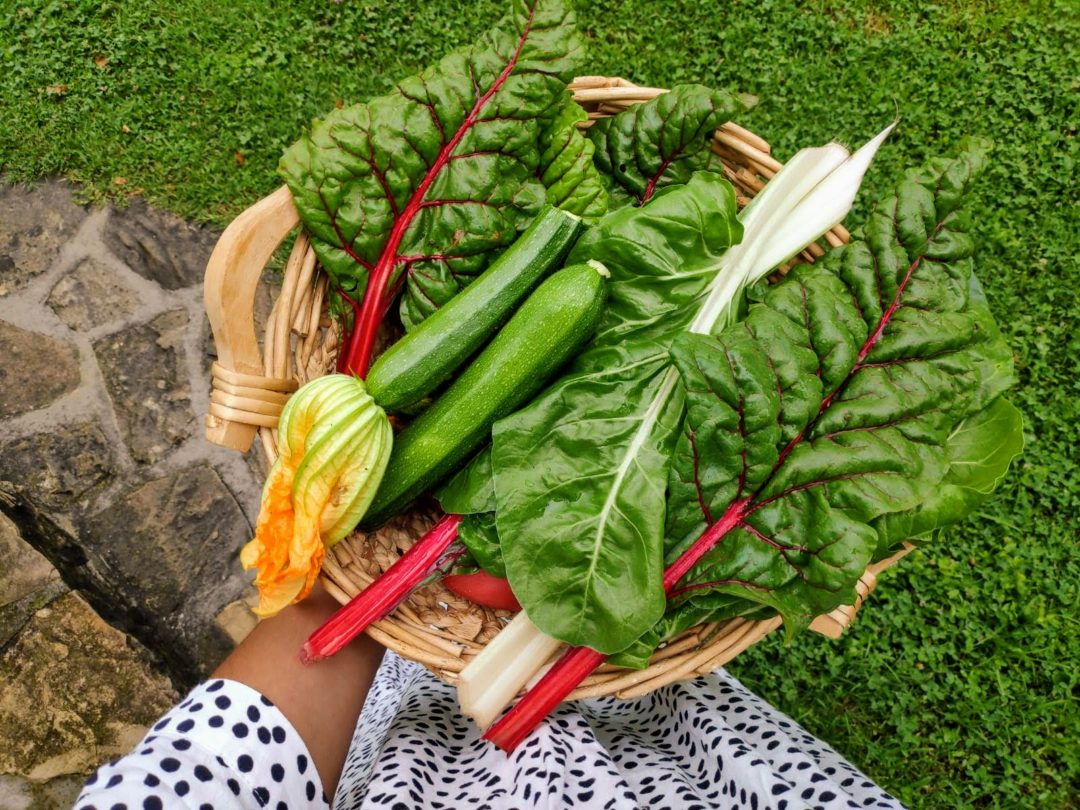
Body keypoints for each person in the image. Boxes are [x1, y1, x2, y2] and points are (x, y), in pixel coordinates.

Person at [75, 585, 903, 809]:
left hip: (425, 725)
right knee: (658, 676)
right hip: (688, 774)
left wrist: (362, 581)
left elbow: (215, 767)